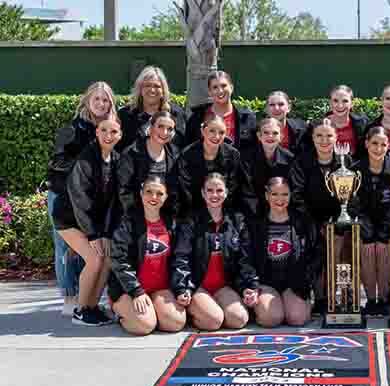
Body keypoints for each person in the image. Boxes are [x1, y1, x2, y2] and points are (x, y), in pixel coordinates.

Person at [47, 81, 117, 316]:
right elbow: (57, 163)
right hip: (63, 197)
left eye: (105, 99)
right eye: (96, 99)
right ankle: (70, 296)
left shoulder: (111, 129)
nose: (100, 103)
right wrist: (84, 166)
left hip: (90, 201)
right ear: (87, 100)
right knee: (66, 249)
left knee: (93, 253)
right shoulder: (72, 129)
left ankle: (87, 299)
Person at [289, 118, 360, 313]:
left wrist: (340, 222)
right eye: (319, 136)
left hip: (341, 220)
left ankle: (346, 295)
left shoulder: (346, 161)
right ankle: (321, 298)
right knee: (319, 248)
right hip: (310, 220)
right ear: (312, 137)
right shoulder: (302, 162)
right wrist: (315, 224)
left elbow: (353, 197)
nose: (324, 140)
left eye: (329, 135)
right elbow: (297, 197)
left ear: (336, 137)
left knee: (343, 245)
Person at [170, 173, 251, 330]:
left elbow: (245, 258)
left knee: (239, 319)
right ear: (202, 192)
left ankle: (215, 309)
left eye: (219, 190)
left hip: (223, 286)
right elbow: (181, 256)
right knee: (213, 321)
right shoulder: (191, 220)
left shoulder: (236, 220)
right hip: (198, 285)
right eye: (210, 190)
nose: (215, 195)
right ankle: (195, 312)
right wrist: (182, 287)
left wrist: (248, 286)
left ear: (226, 192)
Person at [109, 176, 186, 335]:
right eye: (149, 192)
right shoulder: (127, 222)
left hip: (160, 288)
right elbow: (119, 260)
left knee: (176, 323)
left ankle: (152, 311)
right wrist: (135, 291)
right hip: (131, 289)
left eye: (159, 193)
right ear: (141, 194)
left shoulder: (171, 223)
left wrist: (180, 288)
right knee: (144, 326)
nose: (154, 197)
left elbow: (180, 259)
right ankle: (119, 311)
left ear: (165, 197)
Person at [242, 177, 321, 327]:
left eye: (285, 194)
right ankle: (266, 307)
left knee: (297, 319)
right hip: (266, 282)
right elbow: (246, 258)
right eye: (275, 194)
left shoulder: (302, 222)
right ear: (267, 196)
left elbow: (315, 254)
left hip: (293, 283)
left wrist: (306, 279)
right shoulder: (256, 225)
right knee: (271, 319)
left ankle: (296, 305)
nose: (280, 199)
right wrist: (252, 285)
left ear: (291, 195)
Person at [353, 127, 390, 315]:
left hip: (388, 223)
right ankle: (370, 298)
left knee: (383, 248)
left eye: (383, 144)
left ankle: (383, 297)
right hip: (364, 223)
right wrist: (366, 230)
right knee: (367, 248)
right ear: (366, 143)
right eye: (374, 143)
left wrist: (384, 231)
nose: (378, 148)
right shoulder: (354, 170)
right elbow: (352, 203)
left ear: (388, 146)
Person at [177, 113, 241, 218]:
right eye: (212, 131)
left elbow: (233, 187)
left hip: (224, 210)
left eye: (221, 132)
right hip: (193, 210)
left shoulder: (233, 155)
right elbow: (185, 189)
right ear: (203, 131)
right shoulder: (187, 154)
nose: (216, 136)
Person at [118, 111, 179, 215]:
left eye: (170, 129)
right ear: (151, 128)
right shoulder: (131, 154)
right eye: (160, 126)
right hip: (135, 215)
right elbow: (124, 191)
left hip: (165, 215)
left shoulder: (175, 154)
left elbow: (175, 191)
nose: (165, 132)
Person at [117, 66, 186, 152]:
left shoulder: (176, 114)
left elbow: (184, 145)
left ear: (163, 90)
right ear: (140, 89)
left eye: (157, 86)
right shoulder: (125, 115)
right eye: (147, 85)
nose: (152, 90)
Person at [184, 70, 256, 150]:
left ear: (231, 88)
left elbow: (253, 149)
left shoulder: (247, 117)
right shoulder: (197, 117)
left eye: (224, 86)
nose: (220, 91)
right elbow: (187, 147)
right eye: (215, 87)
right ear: (210, 92)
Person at [239, 117, 295, 217]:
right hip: (252, 210)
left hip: (282, 209)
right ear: (259, 136)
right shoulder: (245, 158)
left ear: (281, 136)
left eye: (275, 133)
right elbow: (246, 191)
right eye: (266, 133)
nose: (270, 136)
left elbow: (292, 190)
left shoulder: (290, 159)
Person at [303, 85, 368, 155]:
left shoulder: (362, 123)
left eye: (345, 101)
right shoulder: (315, 126)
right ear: (330, 103)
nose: (340, 105)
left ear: (352, 103)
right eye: (335, 101)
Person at [264, 90, 308, 155]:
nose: (276, 108)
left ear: (289, 108)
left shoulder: (303, 129)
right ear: (267, 109)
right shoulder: (256, 131)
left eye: (281, 104)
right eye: (272, 105)